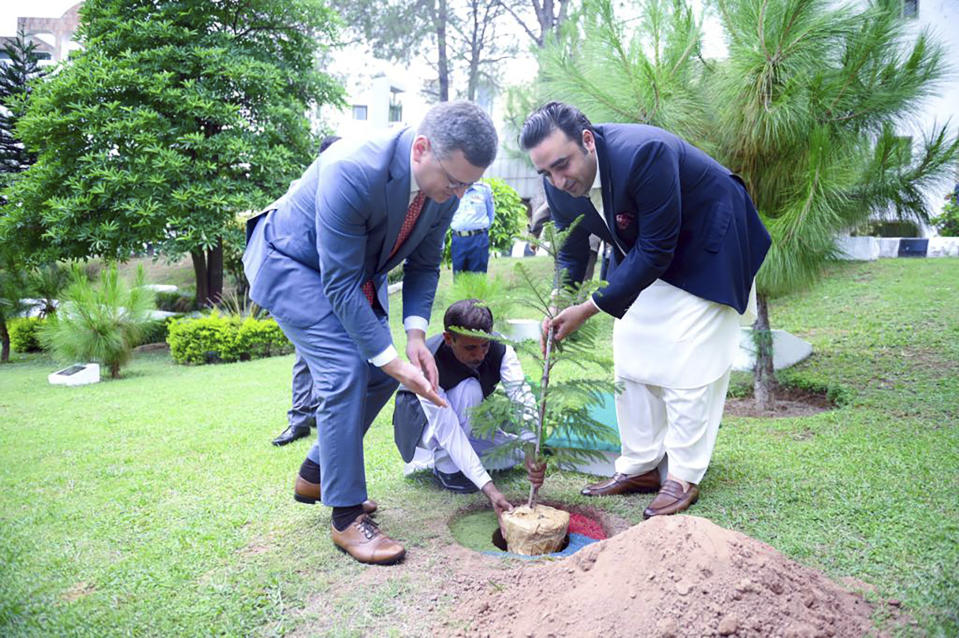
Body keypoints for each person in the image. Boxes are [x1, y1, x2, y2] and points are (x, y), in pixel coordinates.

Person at [243, 101, 498, 565]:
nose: (460, 195)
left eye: (470, 185)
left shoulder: (441, 193)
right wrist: (390, 356)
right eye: (456, 182)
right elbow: (337, 284)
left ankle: (317, 470)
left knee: (382, 373)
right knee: (345, 368)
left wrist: (415, 339)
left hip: (351, 272)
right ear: (421, 148)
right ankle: (345, 517)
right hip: (291, 262)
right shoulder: (352, 167)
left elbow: (423, 263)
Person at [520, 101, 771, 518]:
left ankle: (683, 476)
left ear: (587, 141)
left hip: (711, 239)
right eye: (546, 171)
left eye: (563, 165)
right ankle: (640, 466)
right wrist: (559, 301)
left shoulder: (644, 152)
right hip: (645, 247)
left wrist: (589, 308)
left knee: (688, 365)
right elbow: (571, 251)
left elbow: (657, 249)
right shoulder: (557, 183)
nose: (558, 181)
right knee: (632, 352)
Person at [392, 299, 537, 517]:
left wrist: (530, 449)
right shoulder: (428, 363)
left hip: (467, 421)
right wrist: (490, 489)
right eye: (470, 347)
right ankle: (446, 467)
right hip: (421, 424)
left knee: (514, 454)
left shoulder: (502, 349)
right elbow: (448, 431)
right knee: (470, 389)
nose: (480, 355)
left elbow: (522, 397)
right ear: (449, 339)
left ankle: (464, 460)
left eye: (485, 345)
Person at [270, 136, 341, 448]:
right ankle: (300, 419)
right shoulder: (300, 188)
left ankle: (330, 412)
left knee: (350, 353)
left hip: (343, 278)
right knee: (305, 355)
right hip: (309, 281)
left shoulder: (354, 188)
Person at [449, 181, 495, 273]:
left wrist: (480, 230)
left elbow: (491, 214)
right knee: (459, 277)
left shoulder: (484, 189)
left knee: (478, 277)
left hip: (478, 239)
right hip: (458, 240)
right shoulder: (452, 190)